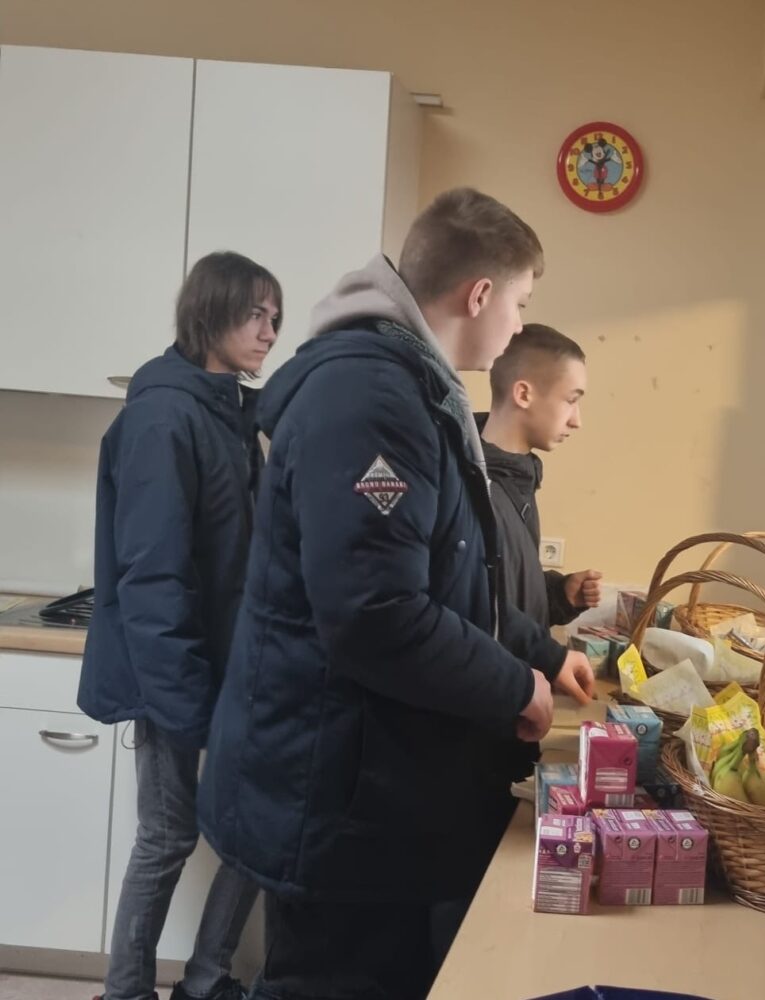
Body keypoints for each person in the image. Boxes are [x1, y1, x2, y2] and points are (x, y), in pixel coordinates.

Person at [197, 189, 595, 1000]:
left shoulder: (412, 388)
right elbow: (374, 614)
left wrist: (539, 653)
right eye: (519, 302)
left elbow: (458, 575)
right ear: (479, 295)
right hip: (336, 787)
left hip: (368, 784)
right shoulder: (372, 399)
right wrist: (512, 686)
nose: (518, 324)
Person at [79, 252, 282, 1000]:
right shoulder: (163, 417)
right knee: (167, 835)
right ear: (209, 314)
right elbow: (153, 576)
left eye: (275, 317)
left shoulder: (227, 414)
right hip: (174, 668)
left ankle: (205, 980)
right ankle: (125, 991)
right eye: (255, 314)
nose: (269, 332)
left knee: (256, 827)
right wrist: (184, 701)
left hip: (229, 665)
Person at [480, 323, 603, 628]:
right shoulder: (476, 490)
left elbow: (509, 599)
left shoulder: (517, 477)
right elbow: (482, 621)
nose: (577, 421)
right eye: (571, 400)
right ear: (523, 394)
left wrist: (560, 595)